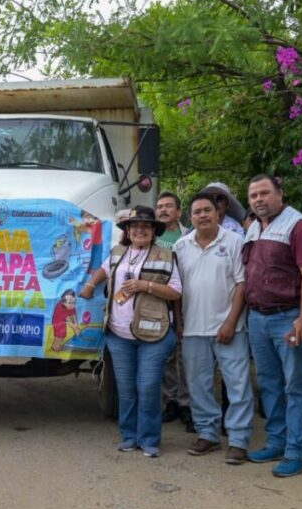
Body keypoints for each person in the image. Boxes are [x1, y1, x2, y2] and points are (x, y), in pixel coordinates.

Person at [79, 206, 182, 458]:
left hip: (154, 335)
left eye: (145, 227)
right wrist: (91, 284)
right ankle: (129, 436)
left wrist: (145, 285)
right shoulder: (118, 253)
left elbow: (176, 291)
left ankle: (149, 439)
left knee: (147, 388)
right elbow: (104, 269)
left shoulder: (166, 256)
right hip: (118, 334)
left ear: (153, 232)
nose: (139, 230)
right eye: (134, 226)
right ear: (127, 230)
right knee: (125, 389)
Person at [243, 174, 302, 477]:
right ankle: (276, 442)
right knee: (270, 385)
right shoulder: (254, 229)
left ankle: (297, 453)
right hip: (258, 318)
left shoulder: (298, 226)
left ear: (280, 194)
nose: (258, 200)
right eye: (253, 196)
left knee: (297, 387)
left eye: (264, 193)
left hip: (287, 318)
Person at [175, 194, 254, 464]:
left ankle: (238, 440)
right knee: (198, 386)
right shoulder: (180, 246)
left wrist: (231, 321)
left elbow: (242, 285)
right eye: (197, 212)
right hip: (193, 329)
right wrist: (179, 324)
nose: (202, 215)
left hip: (230, 328)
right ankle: (207, 433)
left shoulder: (234, 242)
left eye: (207, 210)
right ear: (190, 217)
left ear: (218, 213)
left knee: (238, 385)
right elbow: (176, 289)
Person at [155, 192, 192, 427]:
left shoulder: (189, 235)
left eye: (169, 206)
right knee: (166, 357)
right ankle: (170, 402)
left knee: (188, 356)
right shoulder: (151, 236)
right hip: (160, 303)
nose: (164, 210)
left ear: (179, 212)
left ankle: (187, 403)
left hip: (189, 301)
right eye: (160, 206)